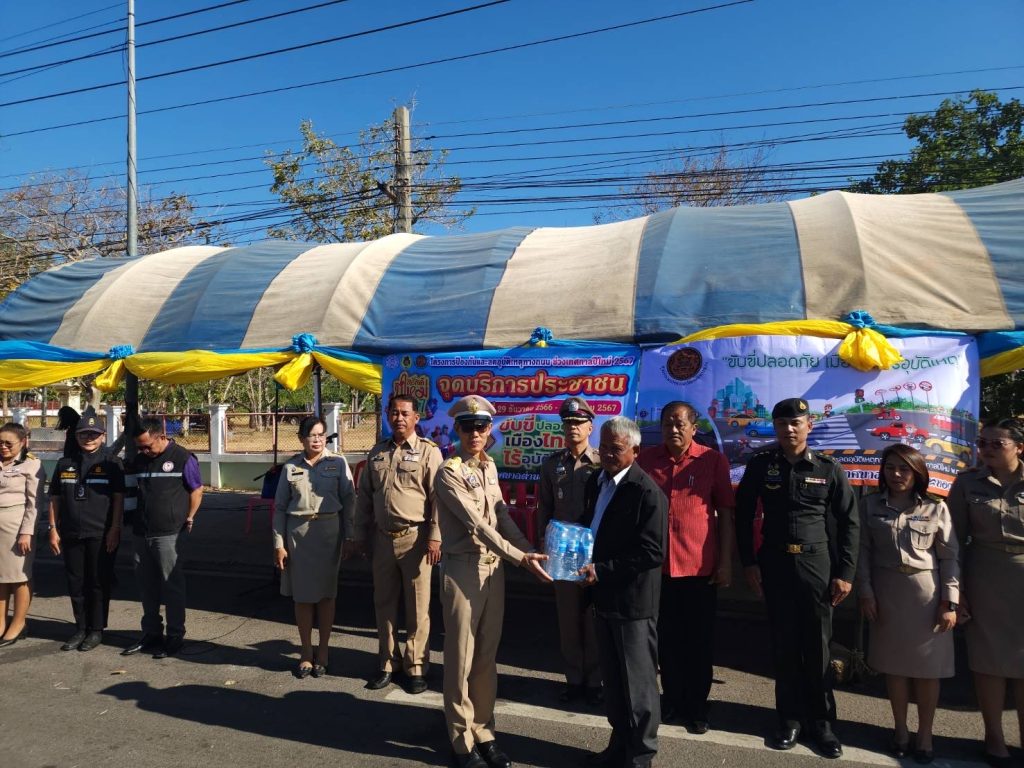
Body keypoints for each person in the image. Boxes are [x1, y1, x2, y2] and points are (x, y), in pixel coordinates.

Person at [735, 398, 859, 759]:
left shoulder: (828, 468)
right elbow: (742, 515)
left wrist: (845, 573)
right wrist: (748, 562)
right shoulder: (762, 465)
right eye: (782, 423)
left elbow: (849, 523)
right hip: (774, 563)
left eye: (796, 423)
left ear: (808, 426)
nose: (789, 429)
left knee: (818, 647)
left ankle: (822, 724)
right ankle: (789, 719)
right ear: (775, 427)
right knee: (784, 645)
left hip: (816, 565)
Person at [434, 395, 551, 768]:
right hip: (462, 570)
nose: (475, 434)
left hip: (492, 569)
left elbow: (501, 516)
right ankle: (461, 740)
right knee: (461, 658)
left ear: (489, 430)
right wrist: (519, 558)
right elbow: (476, 525)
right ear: (458, 429)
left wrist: (528, 551)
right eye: (468, 427)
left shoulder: (488, 467)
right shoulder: (448, 471)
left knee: (486, 657)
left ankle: (484, 731)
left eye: (481, 427)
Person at [856, 444, 958, 764]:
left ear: (917, 473)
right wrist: (865, 592)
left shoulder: (936, 508)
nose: (896, 474)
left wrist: (949, 602)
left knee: (928, 671)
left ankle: (925, 735)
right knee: (895, 669)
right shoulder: (869, 505)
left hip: (927, 596)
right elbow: (862, 553)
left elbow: (950, 557)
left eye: (904, 469)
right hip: (888, 594)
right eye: (890, 468)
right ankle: (900, 730)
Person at [637, 401, 734, 733]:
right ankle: (672, 700)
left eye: (680, 424)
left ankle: (697, 706)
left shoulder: (712, 460)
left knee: (698, 642)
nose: (673, 429)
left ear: (694, 428)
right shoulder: (647, 460)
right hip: (658, 569)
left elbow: (726, 513)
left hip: (699, 569)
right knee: (666, 641)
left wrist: (725, 562)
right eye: (667, 423)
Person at [579, 416, 668, 768]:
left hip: (632, 603)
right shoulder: (597, 481)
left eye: (616, 449)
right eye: (603, 447)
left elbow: (652, 552)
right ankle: (619, 746)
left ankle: (641, 756)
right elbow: (591, 527)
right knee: (614, 683)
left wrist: (601, 570)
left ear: (635, 451)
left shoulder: (646, 492)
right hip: (602, 597)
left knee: (638, 686)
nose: (607, 454)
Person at [947, 417, 1024, 768]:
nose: (987, 449)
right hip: (985, 578)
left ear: (1019, 448)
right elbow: (953, 541)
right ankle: (995, 739)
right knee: (988, 663)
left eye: (997, 443)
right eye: (983, 443)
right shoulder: (967, 483)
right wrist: (958, 589)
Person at [354, 394, 442, 694]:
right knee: (384, 604)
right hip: (382, 539)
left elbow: (438, 499)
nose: (399, 418)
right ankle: (387, 663)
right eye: (394, 413)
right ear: (388, 415)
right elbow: (365, 497)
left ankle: (416, 667)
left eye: (405, 413)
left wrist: (435, 536)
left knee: (418, 607)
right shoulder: (378, 452)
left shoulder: (429, 451)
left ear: (416, 417)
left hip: (416, 539)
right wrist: (359, 534)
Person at [274, 415, 355, 679]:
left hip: (329, 534)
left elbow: (349, 501)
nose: (318, 440)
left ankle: (323, 651)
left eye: (321, 435)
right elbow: (280, 508)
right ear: (301, 439)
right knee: (302, 596)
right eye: (312, 435)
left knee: (326, 595)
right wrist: (279, 544)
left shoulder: (338, 463)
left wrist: (350, 537)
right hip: (298, 536)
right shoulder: (290, 467)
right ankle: (306, 652)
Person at [537, 396, 603, 705]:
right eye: (568, 423)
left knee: (592, 617)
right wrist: (543, 544)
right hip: (562, 552)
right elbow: (545, 507)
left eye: (578, 422)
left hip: (594, 551)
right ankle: (574, 679)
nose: (573, 428)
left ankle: (595, 681)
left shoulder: (602, 463)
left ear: (591, 426)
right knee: (568, 619)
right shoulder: (553, 464)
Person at [121, 417, 203, 659]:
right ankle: (151, 633)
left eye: (147, 446)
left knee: (172, 586)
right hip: (142, 532)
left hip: (169, 533)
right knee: (147, 586)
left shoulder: (183, 457)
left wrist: (190, 516)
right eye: (140, 447)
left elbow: (197, 489)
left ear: (162, 437)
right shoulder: (140, 460)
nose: (144, 451)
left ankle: (175, 635)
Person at [47, 408, 126, 652]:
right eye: (84, 434)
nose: (88, 438)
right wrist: (53, 528)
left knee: (98, 582)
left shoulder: (112, 463)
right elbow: (55, 498)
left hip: (101, 533)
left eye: (94, 434)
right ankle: (80, 627)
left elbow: (118, 499)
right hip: (71, 532)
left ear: (103, 436)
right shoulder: (65, 463)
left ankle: (96, 629)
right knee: (76, 583)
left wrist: (115, 528)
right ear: (76, 436)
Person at [0, 423, 46, 647]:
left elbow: (35, 502)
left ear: (23, 442)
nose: (4, 447)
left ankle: (19, 623)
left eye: (9, 443)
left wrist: (27, 532)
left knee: (19, 577)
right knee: (0, 579)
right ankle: (1, 622)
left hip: (16, 527)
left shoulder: (31, 464)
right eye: (0, 443)